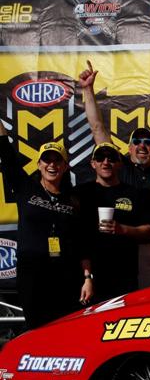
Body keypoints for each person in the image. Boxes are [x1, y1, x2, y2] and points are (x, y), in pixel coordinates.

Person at [77, 60, 150, 284]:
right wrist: (87, 90)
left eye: (148, 142)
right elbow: (97, 128)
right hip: (116, 244)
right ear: (128, 148)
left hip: (148, 246)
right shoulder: (119, 164)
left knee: (146, 303)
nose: (142, 146)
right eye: (137, 142)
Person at [0, 130, 92, 331]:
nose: (52, 165)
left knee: (65, 329)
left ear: (65, 166)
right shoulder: (26, 187)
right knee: (36, 329)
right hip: (32, 273)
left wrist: (87, 278)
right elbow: (5, 152)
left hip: (66, 274)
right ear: (39, 165)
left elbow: (82, 243)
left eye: (57, 160)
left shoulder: (74, 199)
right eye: (47, 160)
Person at [74, 142, 150, 302]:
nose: (106, 162)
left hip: (125, 276)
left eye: (111, 158)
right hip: (89, 276)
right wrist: (87, 276)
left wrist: (123, 229)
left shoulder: (134, 194)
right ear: (93, 164)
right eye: (100, 158)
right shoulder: (80, 193)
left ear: (120, 163)